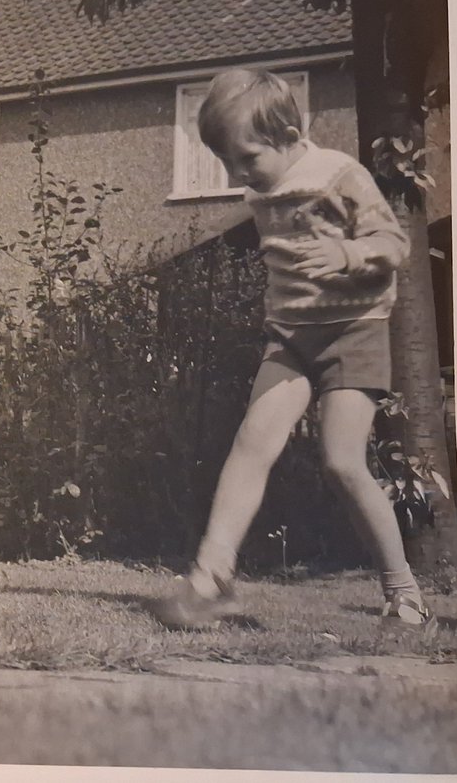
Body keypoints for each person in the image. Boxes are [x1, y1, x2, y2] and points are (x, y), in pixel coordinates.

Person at [151, 68, 435, 630]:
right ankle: (212, 577)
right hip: (290, 338)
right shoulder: (263, 187)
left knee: (342, 462)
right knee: (252, 442)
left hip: (354, 332)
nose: (238, 174)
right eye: (228, 162)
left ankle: (405, 595)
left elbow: (393, 243)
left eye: (247, 158)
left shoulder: (339, 175)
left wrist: (347, 258)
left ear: (287, 135)